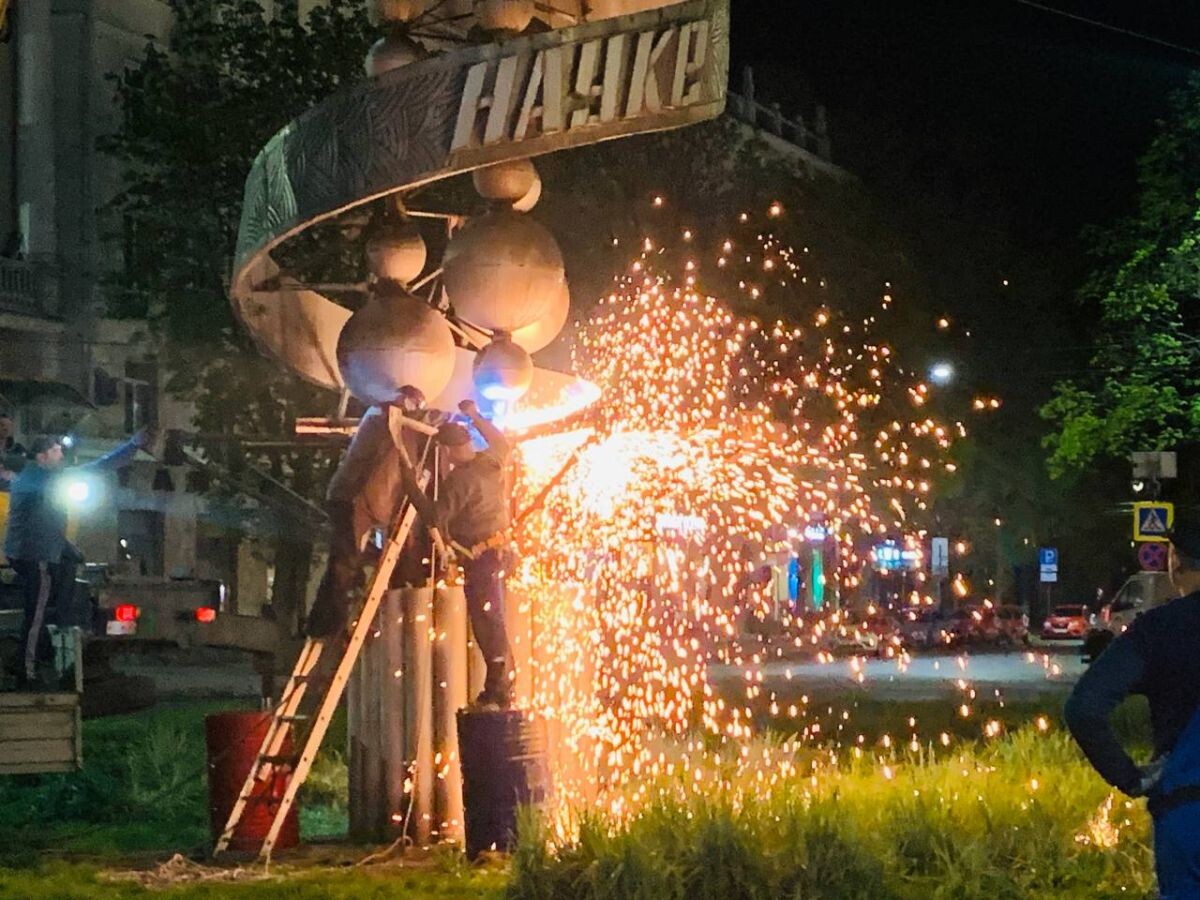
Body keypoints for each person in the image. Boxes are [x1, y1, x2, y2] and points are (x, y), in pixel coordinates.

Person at [1065, 513, 1200, 898]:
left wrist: (1129, 777)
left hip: (1188, 812)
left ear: (1175, 563)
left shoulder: (1158, 630)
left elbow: (1083, 708)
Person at [4, 430, 150, 687]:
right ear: (42, 456)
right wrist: (132, 445)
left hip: (27, 552)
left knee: (46, 601)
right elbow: (98, 467)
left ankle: (40, 653)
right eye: (55, 451)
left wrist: (67, 548)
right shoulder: (47, 478)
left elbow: (42, 519)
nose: (61, 455)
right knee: (36, 614)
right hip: (37, 555)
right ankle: (26, 670)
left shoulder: (29, 475)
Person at [304, 386, 442, 639]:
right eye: (414, 405)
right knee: (344, 563)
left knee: (346, 562)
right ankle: (328, 624)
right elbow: (393, 436)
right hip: (350, 499)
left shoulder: (395, 427)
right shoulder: (381, 418)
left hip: (358, 500)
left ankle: (325, 622)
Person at [404, 399, 513, 708]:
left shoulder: (460, 481)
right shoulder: (491, 461)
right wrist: (475, 415)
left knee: (486, 620)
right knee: (495, 618)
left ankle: (499, 686)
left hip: (481, 559)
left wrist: (411, 486)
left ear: (449, 451)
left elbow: (434, 518)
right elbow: (501, 442)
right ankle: (502, 683)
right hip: (502, 552)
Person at [0, 411, 26, 491]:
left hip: (12, 492)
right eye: (2, 425)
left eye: (9, 425)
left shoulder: (18, 448)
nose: (6, 428)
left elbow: (24, 469)